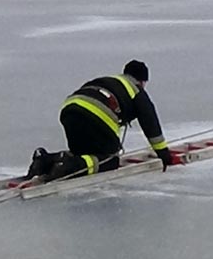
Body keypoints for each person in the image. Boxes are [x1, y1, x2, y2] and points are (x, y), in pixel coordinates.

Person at [25, 60, 173, 182]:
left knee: (84, 152)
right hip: (96, 115)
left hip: (70, 110)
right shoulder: (136, 91)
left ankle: (45, 161)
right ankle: (69, 167)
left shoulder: (110, 80)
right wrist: (163, 154)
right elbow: (150, 123)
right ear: (142, 81)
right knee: (109, 161)